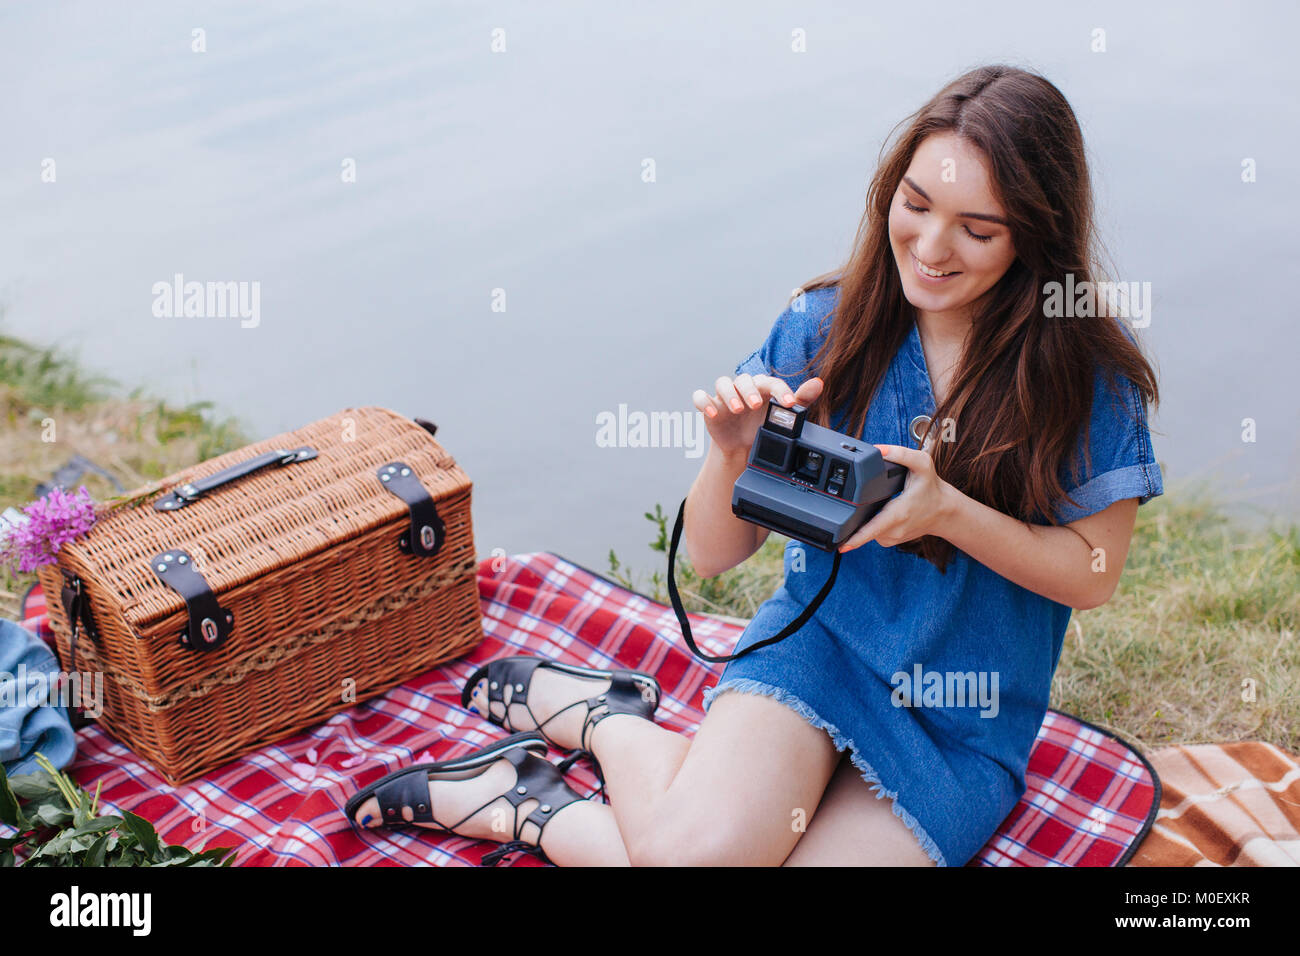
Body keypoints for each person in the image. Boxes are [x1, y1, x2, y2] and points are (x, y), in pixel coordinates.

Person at [346, 63, 1163, 867]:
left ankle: (551, 773)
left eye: (977, 229)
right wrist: (729, 455)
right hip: (817, 658)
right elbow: (710, 555)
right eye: (914, 206)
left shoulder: (1087, 378)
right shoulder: (821, 329)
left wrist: (948, 509)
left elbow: (1090, 573)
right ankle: (604, 734)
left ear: (1037, 233)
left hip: (961, 720)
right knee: (686, 858)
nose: (932, 248)